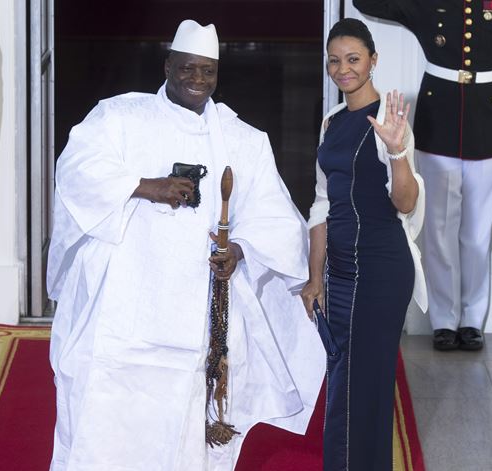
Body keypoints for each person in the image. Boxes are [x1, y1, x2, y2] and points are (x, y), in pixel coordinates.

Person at [46, 19, 325, 470]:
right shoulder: (120, 117)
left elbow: (274, 215)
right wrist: (144, 185)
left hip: (198, 316)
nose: (197, 81)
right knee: (108, 413)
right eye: (187, 69)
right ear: (167, 66)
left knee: (188, 425)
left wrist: (240, 251)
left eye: (207, 72)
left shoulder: (242, 139)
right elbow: (77, 171)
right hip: (126, 310)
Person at [353, 0, 492, 351]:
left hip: (487, 128)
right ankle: (444, 320)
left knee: (477, 237)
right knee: (439, 232)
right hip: (439, 126)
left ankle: (473, 320)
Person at [300, 18, 426, 471]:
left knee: (361, 384)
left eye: (353, 59)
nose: (343, 69)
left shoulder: (390, 122)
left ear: (373, 60)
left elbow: (405, 202)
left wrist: (395, 150)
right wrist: (314, 277)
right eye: (335, 60)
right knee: (345, 380)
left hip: (382, 268)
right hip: (340, 272)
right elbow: (320, 205)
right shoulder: (330, 122)